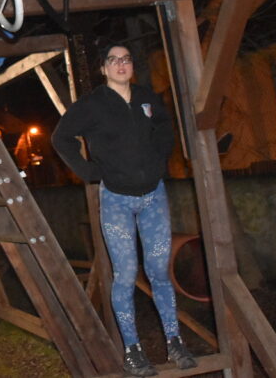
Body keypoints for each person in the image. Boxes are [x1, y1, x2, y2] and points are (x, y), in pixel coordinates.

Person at [51, 43, 196, 376]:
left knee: (159, 272)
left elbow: (165, 128)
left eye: (126, 59)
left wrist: (159, 160)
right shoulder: (91, 105)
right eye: (113, 60)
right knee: (126, 274)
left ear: (132, 66)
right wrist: (88, 172)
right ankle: (132, 350)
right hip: (116, 199)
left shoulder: (146, 98)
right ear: (103, 68)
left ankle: (175, 342)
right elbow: (61, 138)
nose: (121, 65)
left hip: (153, 197)